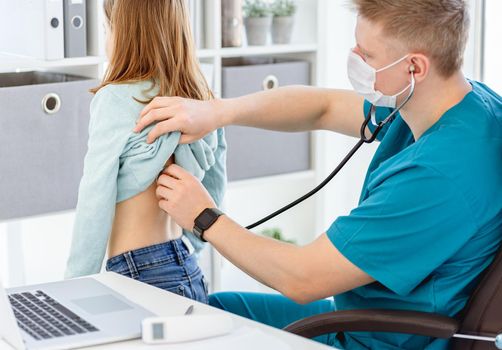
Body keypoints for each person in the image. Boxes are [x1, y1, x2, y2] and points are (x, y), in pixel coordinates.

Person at [134, 0, 502, 348]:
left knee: (195, 332)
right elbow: (323, 108)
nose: (356, 59)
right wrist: (217, 112)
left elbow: (303, 278)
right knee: (213, 310)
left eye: (367, 55)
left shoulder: (437, 177)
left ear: (415, 67)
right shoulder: (458, 104)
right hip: (363, 317)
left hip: (375, 338)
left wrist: (204, 216)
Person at [65, 0, 226, 305]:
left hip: (138, 273)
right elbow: (216, 184)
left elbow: (94, 196)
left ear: (122, 34)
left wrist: (74, 285)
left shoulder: (115, 98)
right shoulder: (201, 97)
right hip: (186, 267)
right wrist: (195, 244)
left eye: (106, 29)